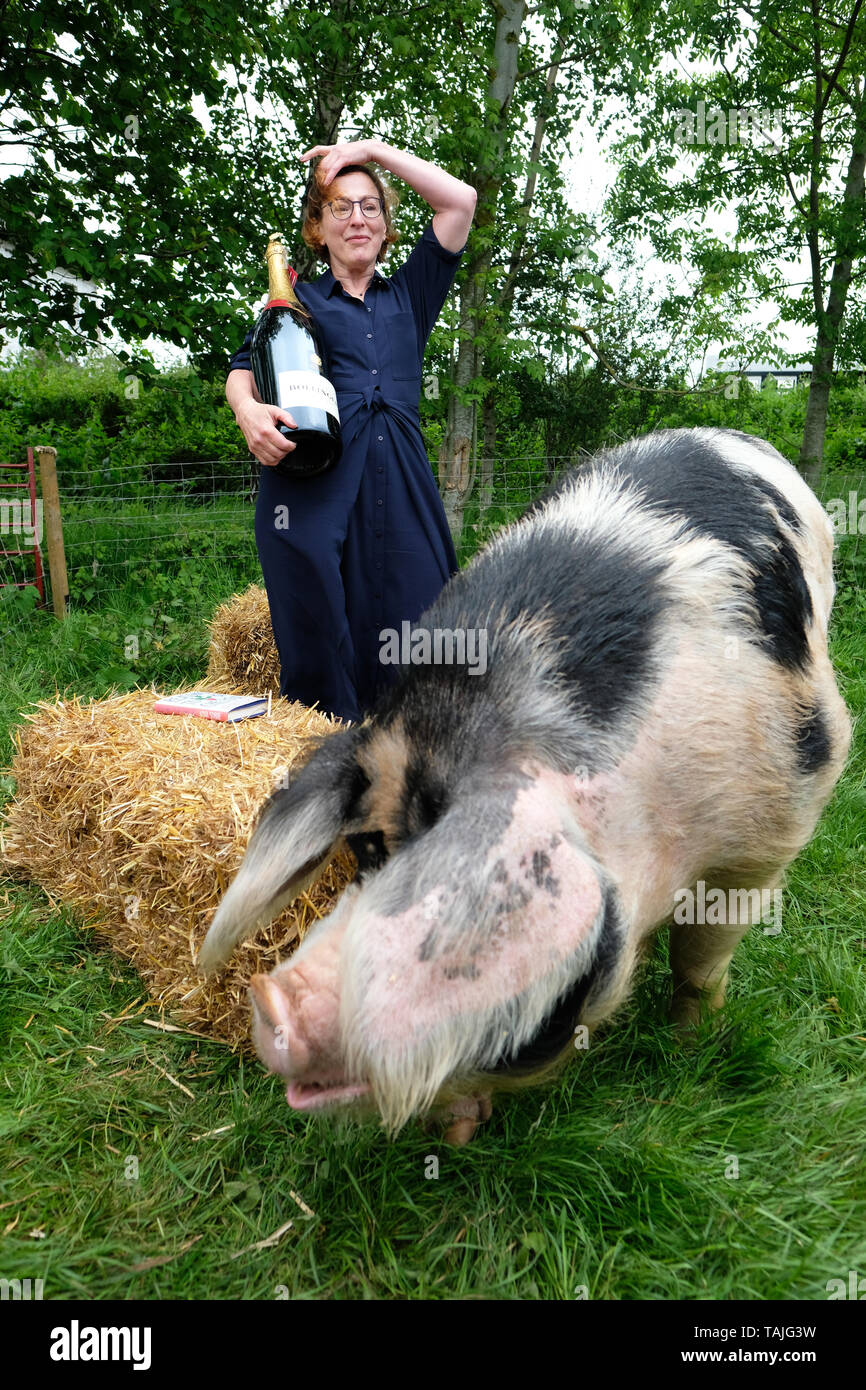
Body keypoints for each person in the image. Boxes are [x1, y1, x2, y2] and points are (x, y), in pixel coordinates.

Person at [225, 140, 477, 723]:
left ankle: (415, 758)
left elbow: (460, 202)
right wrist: (248, 412)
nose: (357, 218)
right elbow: (244, 370)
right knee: (321, 624)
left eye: (370, 207)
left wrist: (372, 151)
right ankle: (330, 760)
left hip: (403, 483)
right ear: (318, 228)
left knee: (423, 621)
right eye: (340, 207)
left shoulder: (410, 295)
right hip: (318, 485)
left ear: (387, 226)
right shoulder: (295, 301)